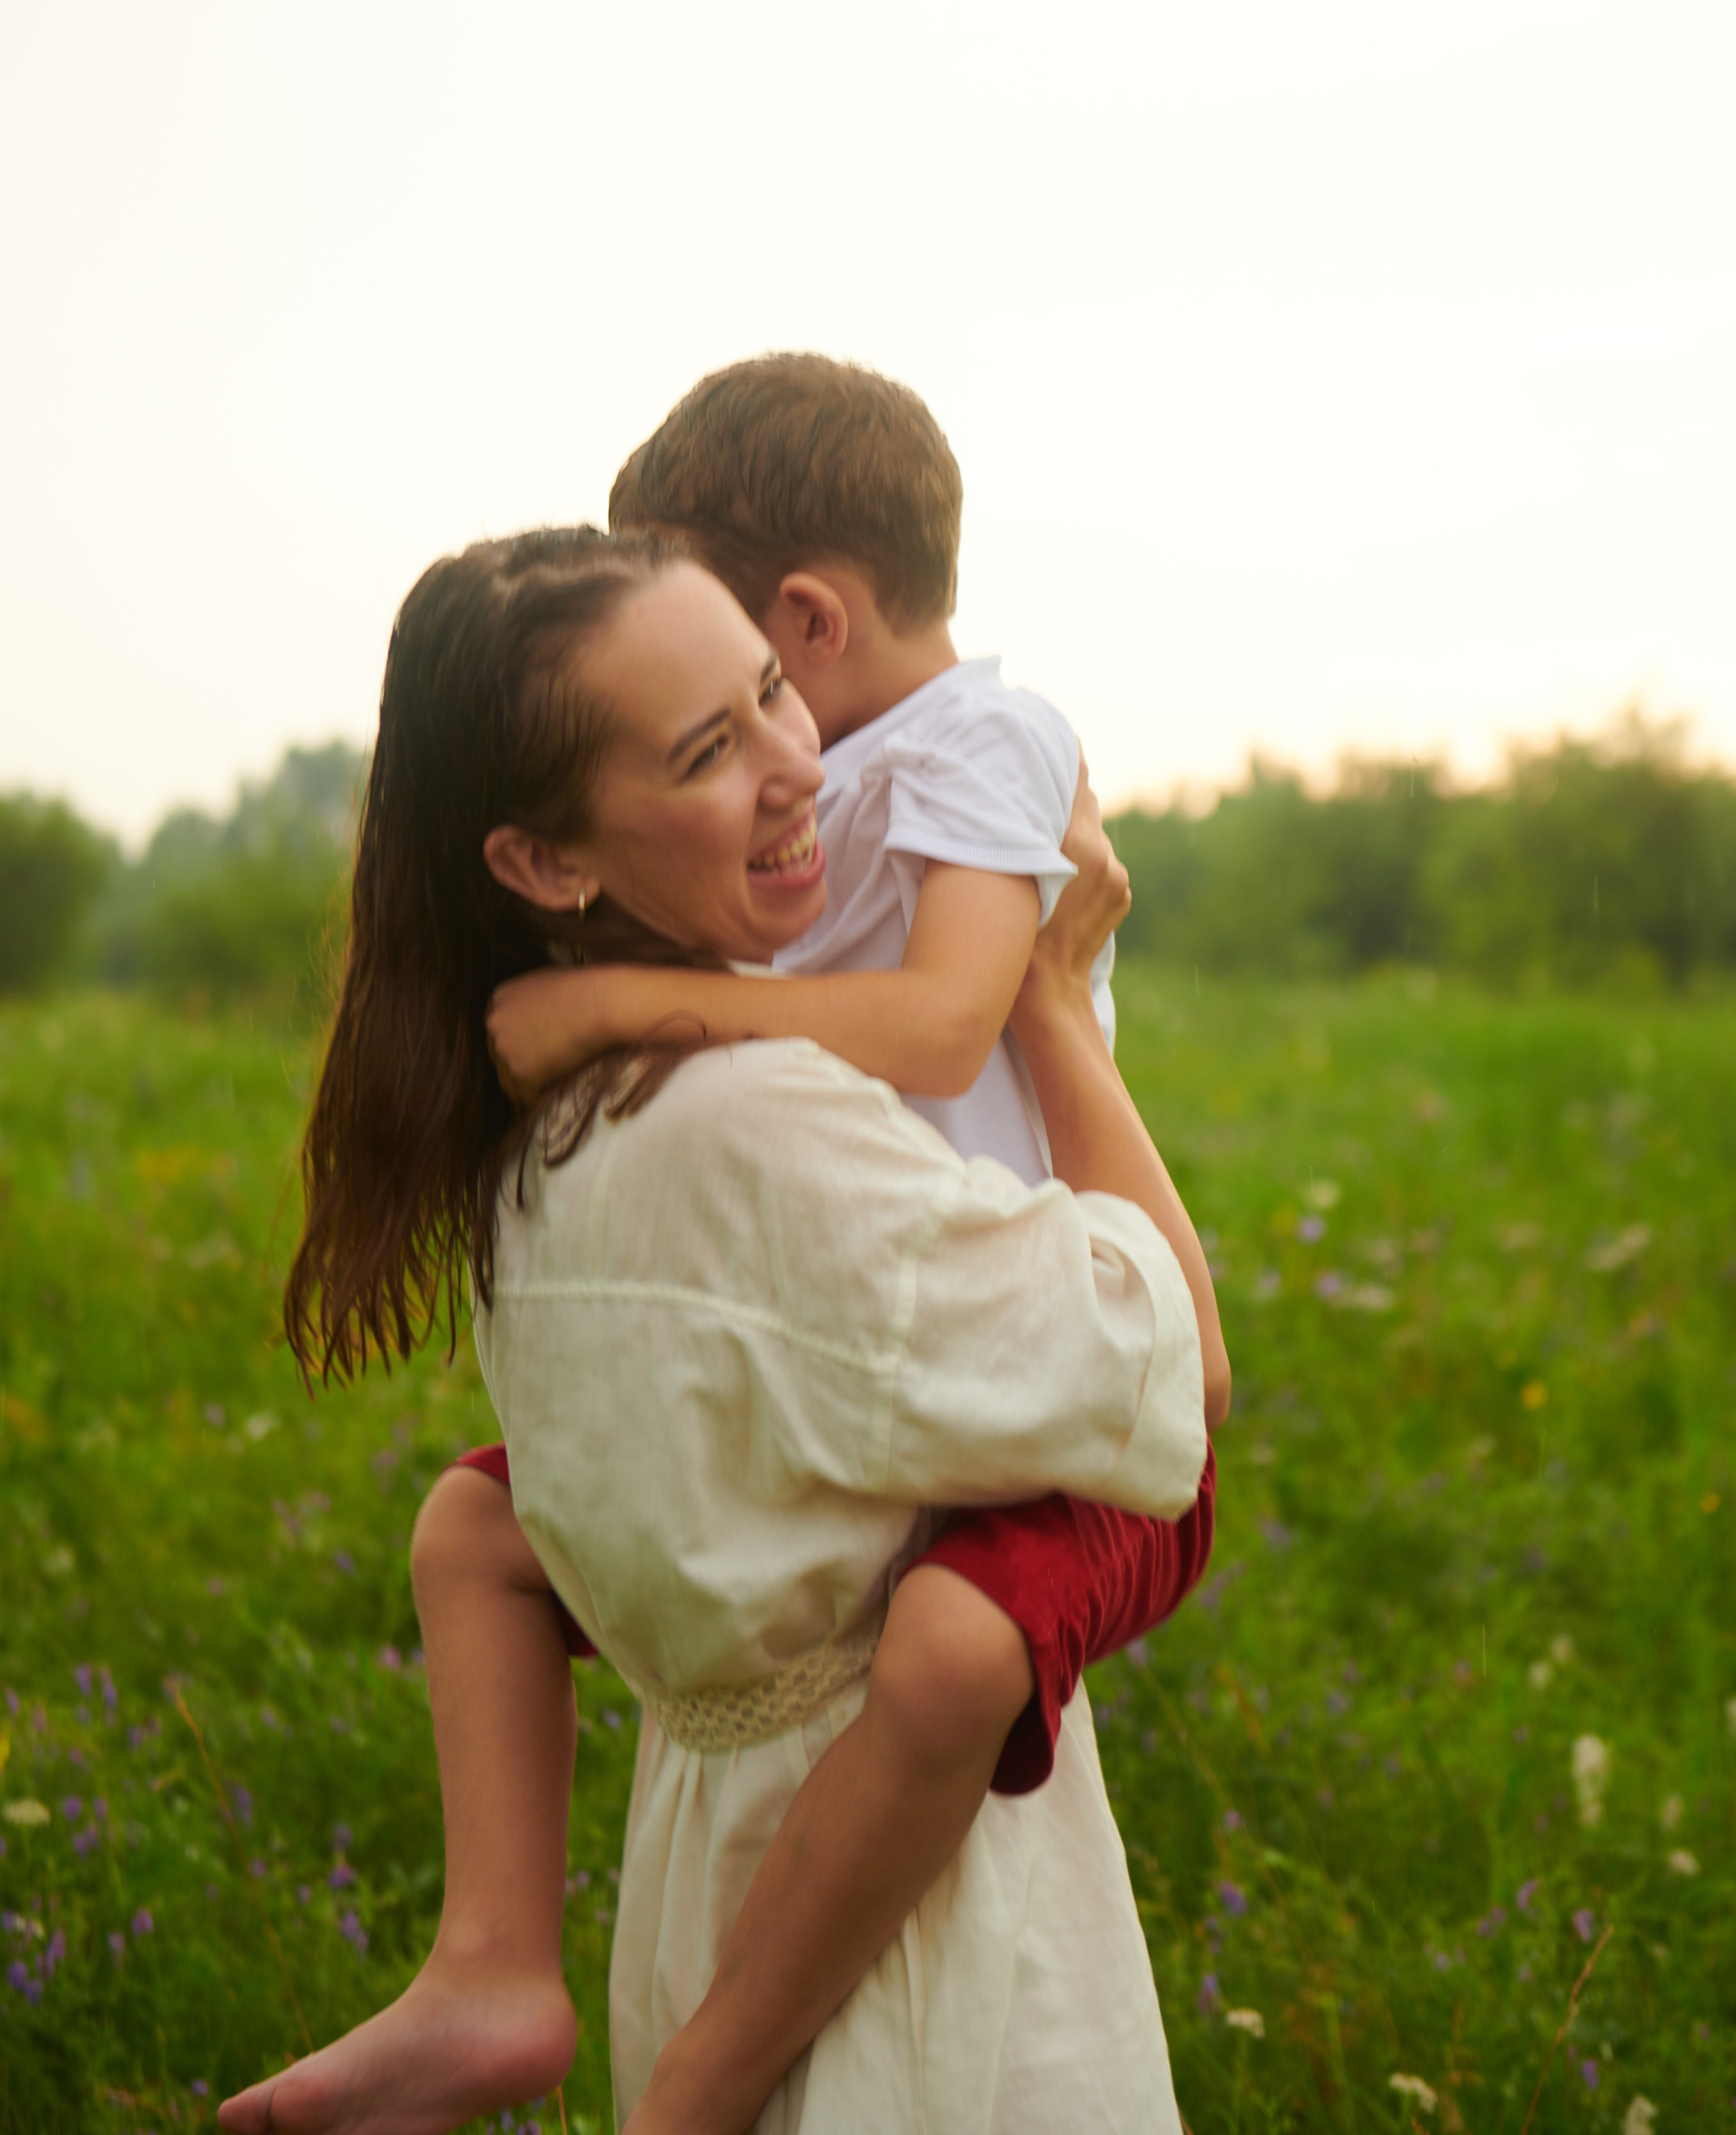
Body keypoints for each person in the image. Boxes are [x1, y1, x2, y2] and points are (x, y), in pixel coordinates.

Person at [221, 525, 1224, 2135]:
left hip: (708, 1872)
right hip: (913, 1953)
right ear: (545, 866)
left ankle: (495, 1963)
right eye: (706, 750)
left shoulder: (536, 1123)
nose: (798, 769)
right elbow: (1173, 1363)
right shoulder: (756, 1124)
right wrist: (1045, 993)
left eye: (772, 694)